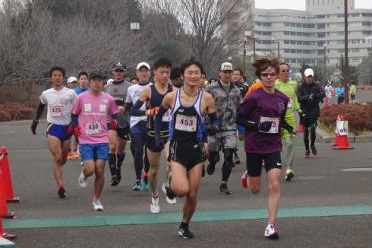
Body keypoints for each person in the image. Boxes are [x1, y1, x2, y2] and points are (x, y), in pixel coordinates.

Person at [155, 60, 217, 238]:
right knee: (182, 190)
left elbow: (215, 121)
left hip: (197, 149)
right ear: (182, 76)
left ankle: (184, 224)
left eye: (197, 72)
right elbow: (158, 117)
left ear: (201, 76)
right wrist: (160, 137)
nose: (193, 76)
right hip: (177, 148)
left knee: (193, 193)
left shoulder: (206, 98)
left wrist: (213, 129)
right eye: (189, 73)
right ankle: (171, 185)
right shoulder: (171, 97)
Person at [237, 57, 295, 239]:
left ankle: (271, 225)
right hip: (254, 146)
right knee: (255, 190)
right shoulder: (253, 97)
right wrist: (257, 126)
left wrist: (287, 127)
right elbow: (239, 119)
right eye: (265, 74)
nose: (269, 77)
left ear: (276, 75)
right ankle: (248, 173)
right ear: (260, 77)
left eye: (272, 74)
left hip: (272, 146)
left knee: (275, 182)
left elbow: (280, 118)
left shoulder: (283, 99)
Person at [132, 58, 175, 213]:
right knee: (154, 170)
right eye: (161, 72)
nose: (164, 75)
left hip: (169, 133)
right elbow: (134, 111)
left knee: (171, 163)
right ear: (155, 73)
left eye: (167, 72)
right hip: (152, 134)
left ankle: (167, 185)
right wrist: (148, 112)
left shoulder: (173, 90)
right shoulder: (148, 90)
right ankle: (155, 196)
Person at [73, 72, 119, 211]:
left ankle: (96, 199)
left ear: (103, 83)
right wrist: (76, 129)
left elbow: (114, 113)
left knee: (100, 169)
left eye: (99, 80)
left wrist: (113, 124)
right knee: (90, 169)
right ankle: (85, 174)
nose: (97, 83)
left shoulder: (108, 99)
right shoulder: (81, 98)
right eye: (94, 80)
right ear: (89, 82)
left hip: (102, 139)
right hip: (86, 139)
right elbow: (74, 115)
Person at [30, 66, 77, 198]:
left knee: (62, 160)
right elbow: (40, 107)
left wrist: (74, 125)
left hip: (67, 128)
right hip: (53, 128)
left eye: (59, 75)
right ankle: (60, 185)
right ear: (51, 78)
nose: (57, 77)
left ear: (63, 78)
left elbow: (76, 110)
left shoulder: (71, 93)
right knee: (57, 157)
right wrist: (35, 122)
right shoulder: (46, 93)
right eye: (54, 75)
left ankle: (59, 174)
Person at [205, 62, 241, 194]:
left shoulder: (236, 90)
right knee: (213, 155)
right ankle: (213, 162)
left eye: (229, 72)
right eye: (224, 72)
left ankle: (224, 183)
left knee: (229, 154)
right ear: (219, 72)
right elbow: (203, 106)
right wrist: (206, 124)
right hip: (214, 128)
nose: (227, 74)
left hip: (230, 127)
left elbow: (240, 107)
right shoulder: (210, 88)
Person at [124, 62, 152, 190]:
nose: (143, 73)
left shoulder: (154, 87)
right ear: (137, 73)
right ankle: (138, 180)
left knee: (148, 152)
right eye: (141, 71)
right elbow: (128, 106)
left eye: (146, 71)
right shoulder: (131, 89)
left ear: (149, 73)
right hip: (135, 123)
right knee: (138, 150)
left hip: (150, 122)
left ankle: (145, 174)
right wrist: (118, 110)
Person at [104, 62, 131, 186]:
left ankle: (118, 167)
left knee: (120, 150)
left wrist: (125, 107)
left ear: (124, 72)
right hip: (111, 121)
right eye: (117, 71)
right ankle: (114, 175)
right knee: (112, 147)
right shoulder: (107, 87)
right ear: (113, 72)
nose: (119, 74)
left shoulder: (129, 87)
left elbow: (132, 103)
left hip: (124, 121)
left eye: (121, 71)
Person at [275, 63, 301, 181]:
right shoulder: (274, 85)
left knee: (290, 144)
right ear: (278, 73)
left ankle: (289, 169)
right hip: (276, 119)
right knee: (275, 145)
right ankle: (273, 166)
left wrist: (299, 109)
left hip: (289, 118)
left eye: (287, 71)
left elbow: (294, 97)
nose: (285, 73)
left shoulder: (293, 84)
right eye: (283, 71)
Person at [297, 68, 325, 158]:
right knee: (305, 131)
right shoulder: (301, 86)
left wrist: (315, 96)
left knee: (313, 129)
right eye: (308, 77)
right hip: (304, 110)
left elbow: (323, 93)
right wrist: (307, 97)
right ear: (305, 77)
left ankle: (312, 145)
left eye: (311, 77)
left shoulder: (317, 85)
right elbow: (298, 98)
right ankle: (307, 150)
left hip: (314, 110)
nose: (309, 78)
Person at [231, 68, 249, 164]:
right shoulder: (227, 87)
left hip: (242, 116)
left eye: (237, 74)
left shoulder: (245, 88)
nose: (234, 76)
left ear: (241, 76)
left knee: (242, 137)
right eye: (233, 74)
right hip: (230, 117)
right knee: (231, 136)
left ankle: (251, 153)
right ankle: (234, 154)